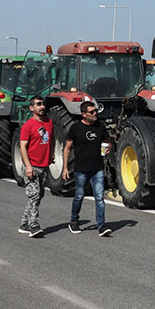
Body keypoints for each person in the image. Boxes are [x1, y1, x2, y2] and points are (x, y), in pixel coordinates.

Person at [63, 101, 111, 236]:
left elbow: (107, 142)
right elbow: (67, 148)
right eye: (92, 112)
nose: (95, 113)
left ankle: (101, 225)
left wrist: (108, 149)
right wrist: (65, 168)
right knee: (79, 196)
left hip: (97, 168)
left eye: (95, 111)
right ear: (83, 114)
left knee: (99, 197)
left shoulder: (100, 127)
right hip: (81, 169)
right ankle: (74, 221)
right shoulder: (75, 128)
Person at [18, 97, 54, 238]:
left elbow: (52, 138)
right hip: (32, 166)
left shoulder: (49, 123)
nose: (42, 106)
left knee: (38, 196)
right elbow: (22, 147)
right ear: (31, 108)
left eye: (43, 104)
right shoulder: (28, 126)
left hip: (44, 166)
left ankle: (24, 224)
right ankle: (34, 226)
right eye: (38, 104)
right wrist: (28, 166)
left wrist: (51, 154)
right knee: (34, 196)